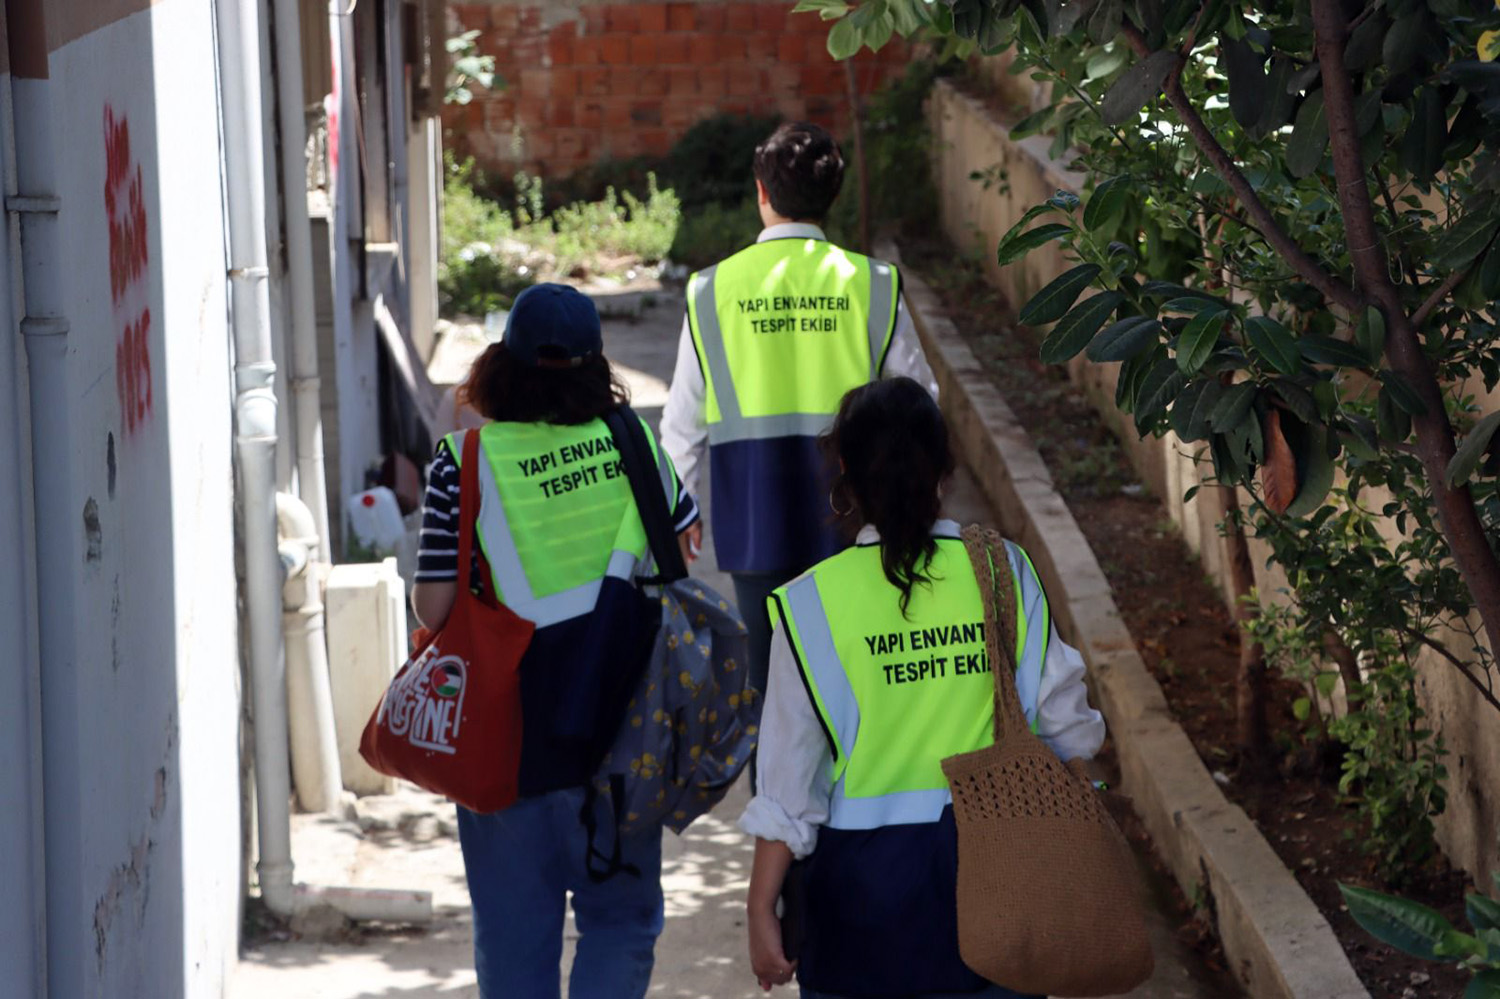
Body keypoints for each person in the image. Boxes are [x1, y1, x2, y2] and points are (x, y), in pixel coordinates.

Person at [739, 378, 1107, 998]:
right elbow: (1069, 728)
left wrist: (759, 909)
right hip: (1004, 882)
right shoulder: (1005, 572)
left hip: (861, 906)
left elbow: (789, 785)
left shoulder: (809, 605)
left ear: (845, 470)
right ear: (943, 465)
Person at [411, 283, 700, 999]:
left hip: (507, 745)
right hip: (625, 738)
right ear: (596, 366)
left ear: (501, 366)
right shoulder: (637, 446)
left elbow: (433, 605)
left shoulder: (463, 460)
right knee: (621, 924)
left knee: (514, 941)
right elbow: (684, 550)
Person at [659, 121, 939, 705]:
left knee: (775, 696)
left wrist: (677, 514)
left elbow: (683, 422)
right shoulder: (872, 283)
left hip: (753, 515)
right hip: (857, 514)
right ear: (833, 194)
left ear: (762, 192)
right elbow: (920, 406)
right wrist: (924, 506)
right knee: (858, 687)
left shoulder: (711, 290)